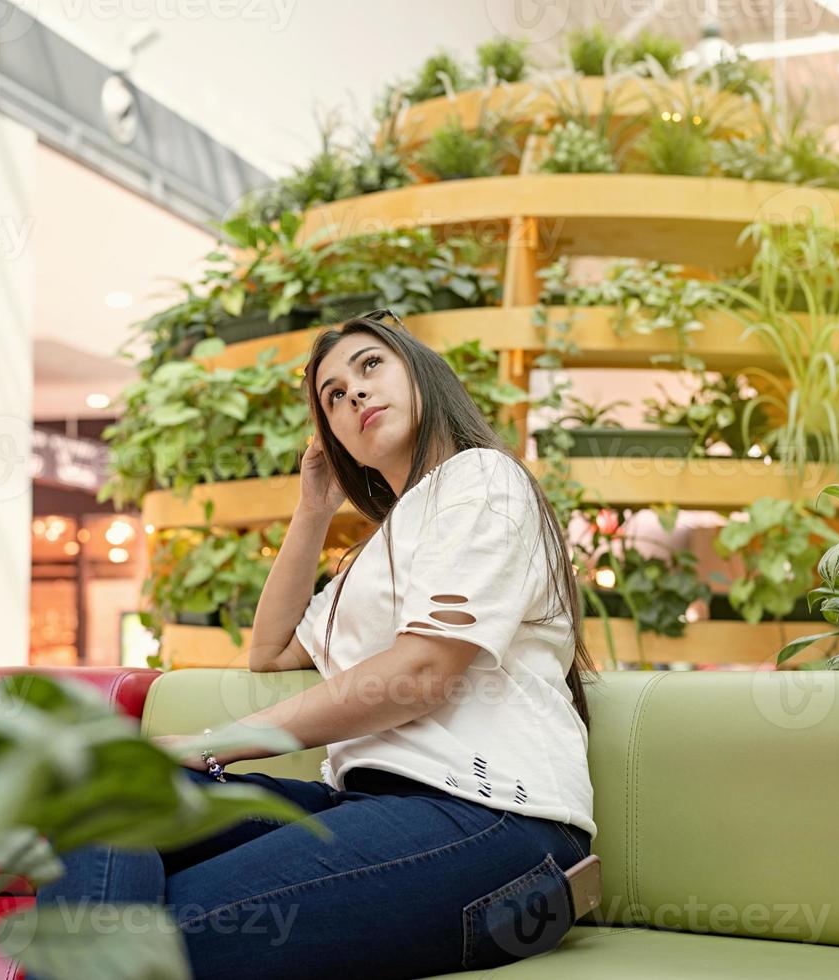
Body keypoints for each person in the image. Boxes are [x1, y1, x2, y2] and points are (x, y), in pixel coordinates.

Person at [37, 309, 599, 979]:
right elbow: (270, 651)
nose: (353, 392)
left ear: (422, 377)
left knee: (138, 940)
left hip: (489, 819)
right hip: (366, 808)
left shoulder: (480, 480)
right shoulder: (372, 556)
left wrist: (205, 746)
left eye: (369, 367)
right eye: (332, 395)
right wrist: (312, 509)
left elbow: (420, 672)